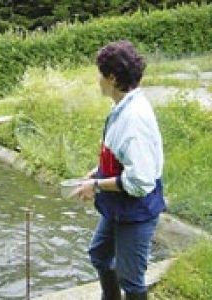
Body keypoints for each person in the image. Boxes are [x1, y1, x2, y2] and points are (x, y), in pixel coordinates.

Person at [73, 40, 166, 300]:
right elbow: (119, 155)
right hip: (117, 205)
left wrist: (97, 186)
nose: (97, 80)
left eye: (100, 74)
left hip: (136, 209)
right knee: (100, 255)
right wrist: (96, 172)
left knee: (131, 280)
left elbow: (140, 181)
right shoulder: (123, 107)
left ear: (112, 78)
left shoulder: (133, 120)